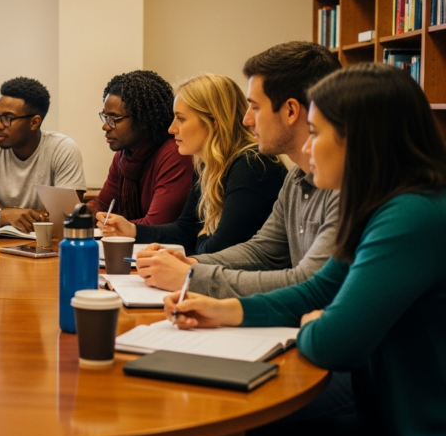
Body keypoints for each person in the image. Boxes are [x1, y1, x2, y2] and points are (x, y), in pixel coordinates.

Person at [164, 64, 446, 436]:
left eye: (315, 133)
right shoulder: (376, 204)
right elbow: (317, 293)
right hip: (382, 405)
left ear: (359, 139)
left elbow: (334, 343)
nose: (307, 147)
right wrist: (225, 310)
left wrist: (315, 324)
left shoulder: (410, 216)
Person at [137, 42, 342, 297]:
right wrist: (192, 264)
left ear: (290, 110)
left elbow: (310, 283)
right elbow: (262, 251)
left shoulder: (345, 185)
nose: (246, 119)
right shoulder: (295, 178)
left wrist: (192, 277)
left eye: (255, 107)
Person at [99, 73, 285, 255]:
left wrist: (200, 236)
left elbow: (218, 250)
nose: (172, 129)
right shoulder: (206, 163)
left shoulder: (251, 165)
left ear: (213, 122)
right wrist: (132, 230)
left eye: (180, 118)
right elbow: (186, 230)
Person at [0, 77, 86, 233]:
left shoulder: (62, 149)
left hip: (49, 247)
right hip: (1, 246)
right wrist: (9, 215)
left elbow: (68, 219)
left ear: (34, 123)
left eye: (8, 118)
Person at [86, 70, 194, 225]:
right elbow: (103, 204)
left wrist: (112, 225)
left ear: (143, 120)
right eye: (105, 117)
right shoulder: (123, 156)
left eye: (114, 118)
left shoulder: (174, 154)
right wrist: (84, 211)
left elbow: (156, 224)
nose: (105, 126)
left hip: (167, 248)